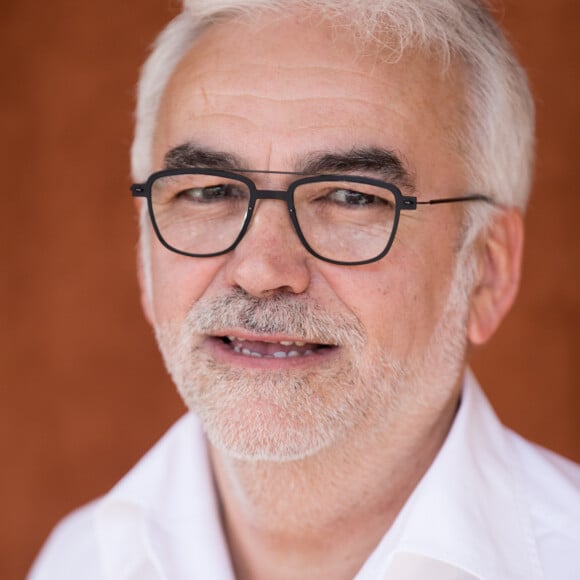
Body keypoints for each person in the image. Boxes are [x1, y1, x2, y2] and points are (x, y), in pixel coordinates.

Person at [29, 0, 580, 578]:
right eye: (210, 191)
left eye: (352, 197)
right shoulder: (80, 560)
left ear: (488, 272)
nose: (261, 270)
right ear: (146, 254)